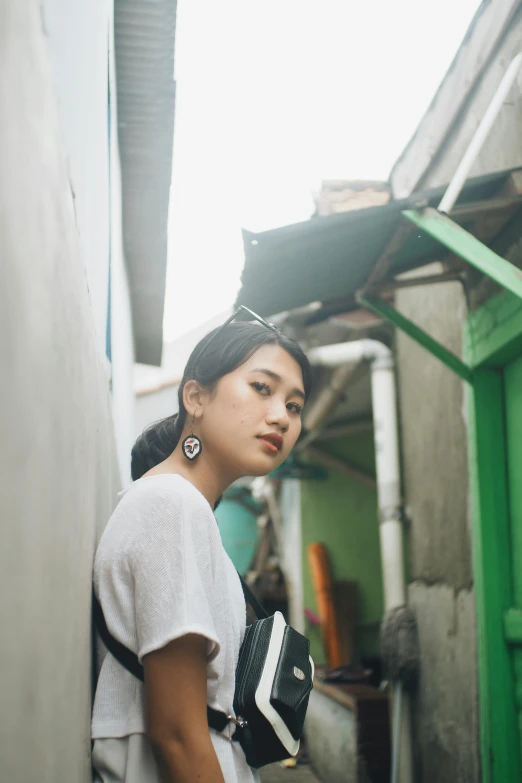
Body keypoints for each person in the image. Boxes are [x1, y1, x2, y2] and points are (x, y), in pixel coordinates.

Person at [91, 309, 312, 783]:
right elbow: (175, 733)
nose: (281, 417)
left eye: (294, 406)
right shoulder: (171, 504)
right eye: (262, 388)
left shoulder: (179, 507)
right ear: (196, 396)